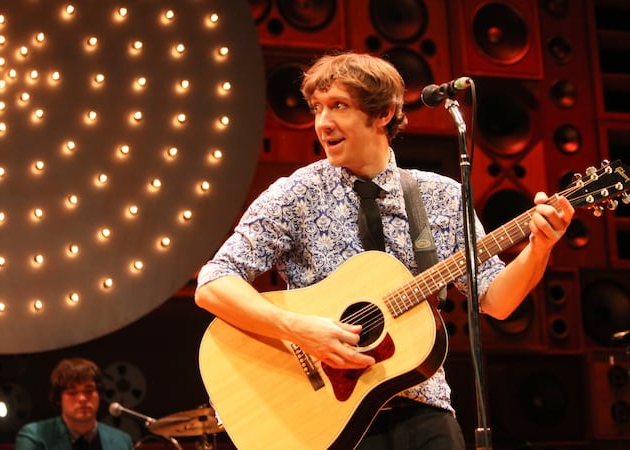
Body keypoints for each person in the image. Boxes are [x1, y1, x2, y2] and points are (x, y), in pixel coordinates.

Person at [194, 52, 574, 450]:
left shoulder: (441, 197)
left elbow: (495, 300)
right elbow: (213, 283)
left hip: (423, 406)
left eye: (339, 106)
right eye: (317, 108)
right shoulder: (296, 194)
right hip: (327, 419)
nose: (323, 123)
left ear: (384, 114)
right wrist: (301, 330)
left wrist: (539, 246)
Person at [15, 357, 134, 450]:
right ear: (58, 398)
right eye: (72, 392)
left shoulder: (122, 441)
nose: (82, 398)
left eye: (89, 390)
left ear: (99, 394)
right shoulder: (34, 436)